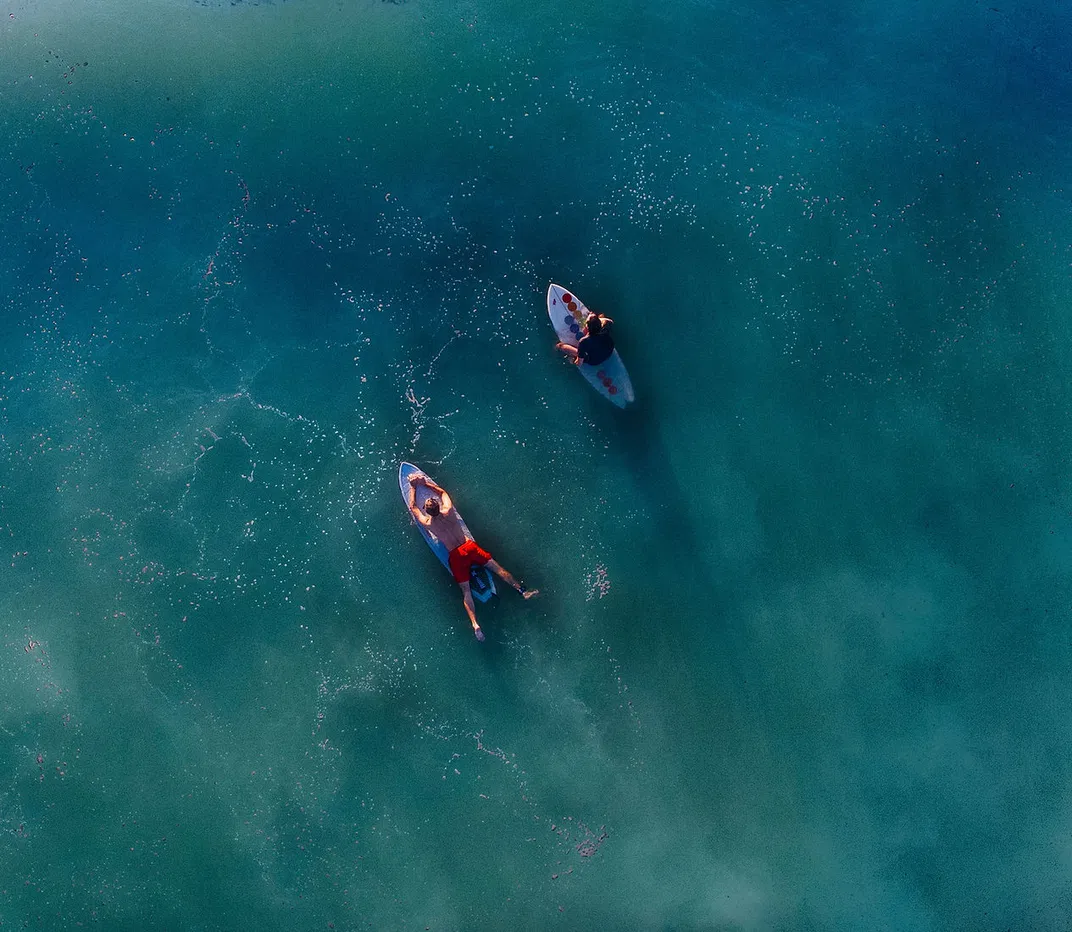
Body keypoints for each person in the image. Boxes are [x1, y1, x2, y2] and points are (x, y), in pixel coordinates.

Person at [407, 473, 539, 641]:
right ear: (438, 506)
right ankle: (522, 591)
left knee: (466, 590)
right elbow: (442, 493)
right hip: (470, 547)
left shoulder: (428, 523)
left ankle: (476, 625)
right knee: (497, 568)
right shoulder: (448, 511)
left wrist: (413, 487)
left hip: (455, 556)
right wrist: (426, 484)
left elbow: (413, 508)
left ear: (427, 511)